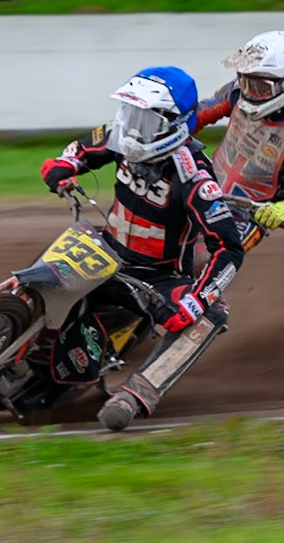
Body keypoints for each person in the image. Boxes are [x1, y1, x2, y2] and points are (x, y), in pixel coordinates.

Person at [39, 67, 246, 431]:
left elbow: (228, 247)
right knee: (48, 263)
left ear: (173, 123)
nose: (133, 127)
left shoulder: (194, 174)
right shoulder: (120, 135)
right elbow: (81, 149)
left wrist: (196, 299)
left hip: (155, 279)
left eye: (145, 119)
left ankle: (136, 394)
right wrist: (64, 165)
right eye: (130, 113)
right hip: (104, 251)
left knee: (213, 314)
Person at [193, 31, 284, 251]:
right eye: (245, 80)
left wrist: (283, 212)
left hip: (244, 216)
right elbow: (196, 117)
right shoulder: (237, 92)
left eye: (260, 86)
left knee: (200, 260)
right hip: (201, 186)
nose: (249, 90)